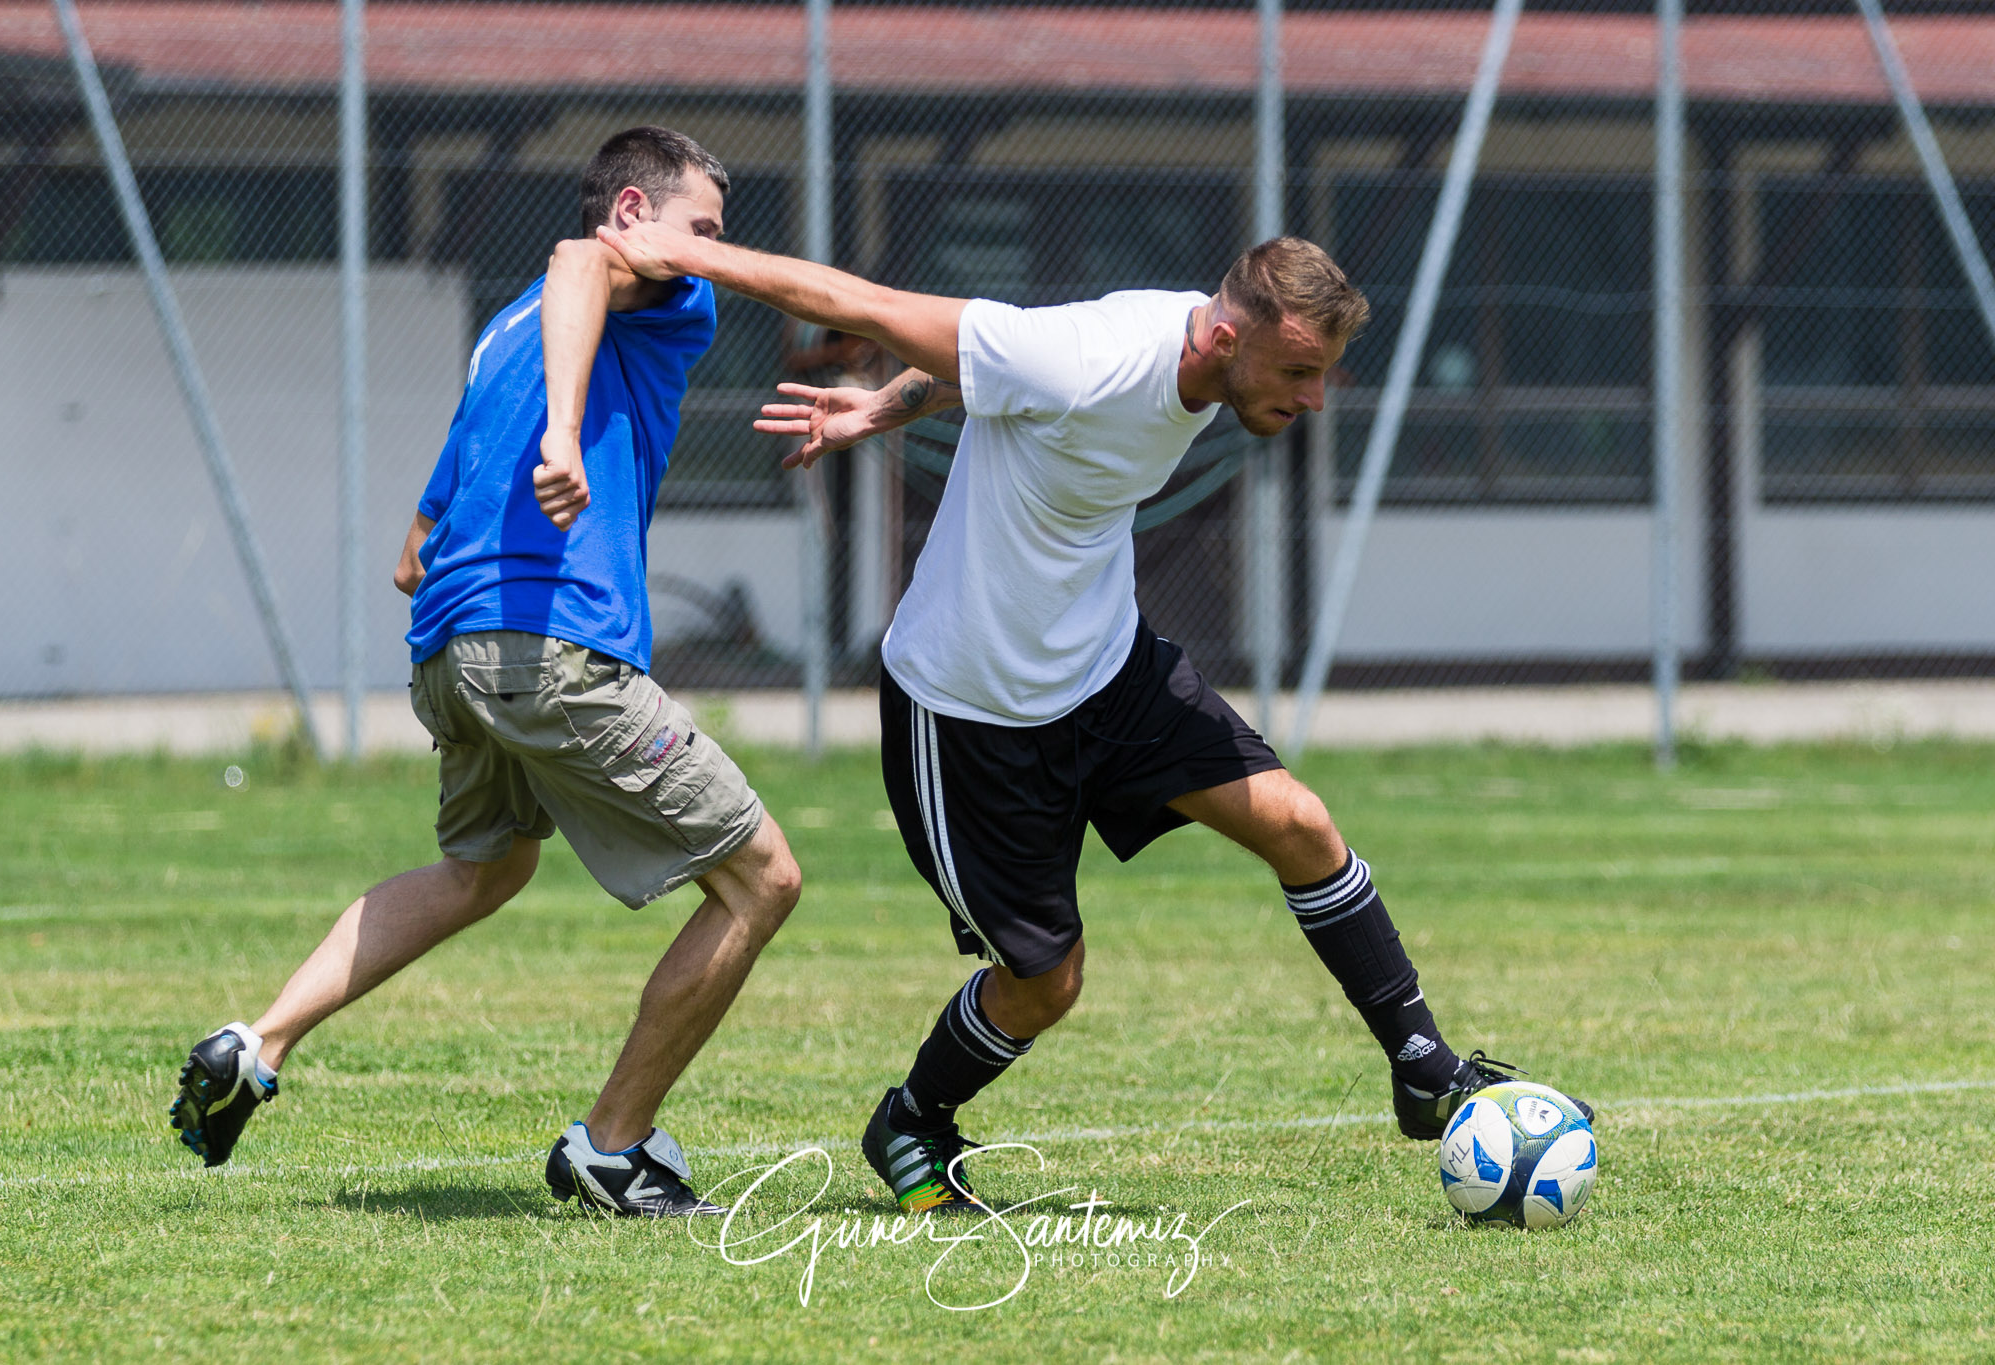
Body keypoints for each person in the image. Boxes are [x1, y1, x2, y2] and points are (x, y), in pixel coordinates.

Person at [572, 218, 1591, 1215]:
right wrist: (693, 254)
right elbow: (866, 306)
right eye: (1297, 374)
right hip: (971, 708)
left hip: (1106, 668)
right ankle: (912, 1120)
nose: (1315, 397)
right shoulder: (1091, 359)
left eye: (1321, 374)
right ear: (1226, 338)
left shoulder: (1184, 354)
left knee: (1300, 826)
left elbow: (981, 374)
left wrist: (885, 409)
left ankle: (1422, 1065)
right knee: (1046, 983)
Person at [167, 128, 801, 1218]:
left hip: (454, 658)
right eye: (701, 230)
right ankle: (612, 1146)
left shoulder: (507, 330)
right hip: (556, 649)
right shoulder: (622, 285)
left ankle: (257, 1042)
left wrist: (434, 532)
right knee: (761, 880)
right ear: (629, 214)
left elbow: (431, 513)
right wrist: (564, 435)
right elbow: (577, 263)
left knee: (486, 868)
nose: (714, 258)